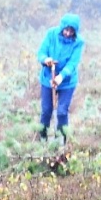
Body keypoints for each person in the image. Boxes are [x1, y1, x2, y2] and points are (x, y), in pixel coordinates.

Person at [36, 13, 84, 142]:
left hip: (67, 82)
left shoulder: (78, 42)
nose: (68, 33)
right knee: (46, 111)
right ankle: (42, 140)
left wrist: (61, 77)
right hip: (48, 78)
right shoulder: (51, 34)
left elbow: (72, 63)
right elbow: (41, 52)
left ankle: (60, 141)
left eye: (71, 31)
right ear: (62, 27)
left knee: (62, 112)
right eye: (66, 30)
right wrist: (46, 60)